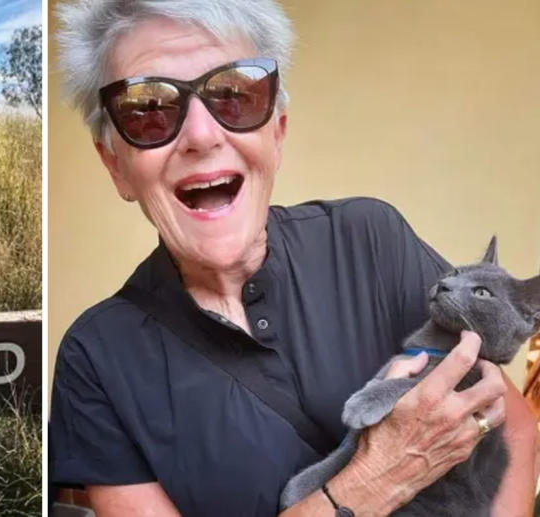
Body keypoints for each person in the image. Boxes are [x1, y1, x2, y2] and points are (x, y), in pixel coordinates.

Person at [48, 1, 537, 515]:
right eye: (148, 111)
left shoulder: (369, 239)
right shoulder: (97, 357)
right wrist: (371, 480)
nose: (200, 135)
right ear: (116, 167)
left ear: (276, 132)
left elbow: (515, 432)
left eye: (234, 95)